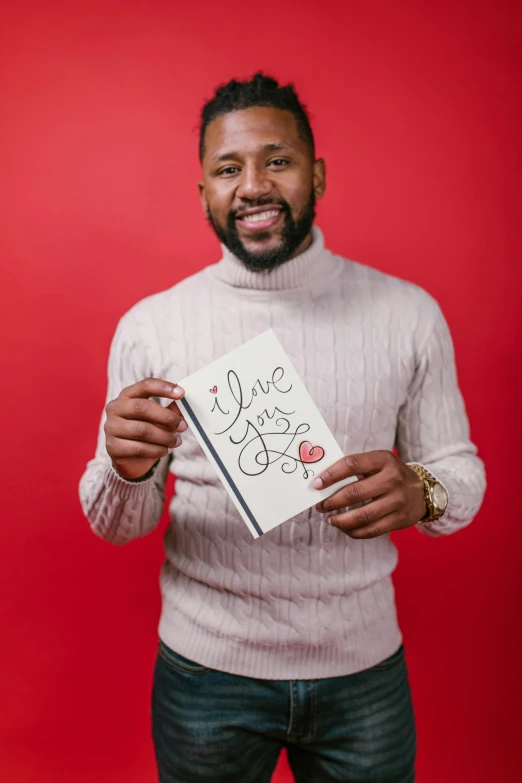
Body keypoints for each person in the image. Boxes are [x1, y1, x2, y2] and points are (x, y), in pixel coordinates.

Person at [79, 73, 486, 783]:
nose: (253, 186)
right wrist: (126, 468)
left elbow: (461, 469)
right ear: (203, 191)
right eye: (228, 168)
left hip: (363, 672)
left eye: (278, 160)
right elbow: (118, 524)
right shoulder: (151, 327)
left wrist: (422, 490)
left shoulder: (408, 313)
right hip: (207, 675)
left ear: (317, 174)